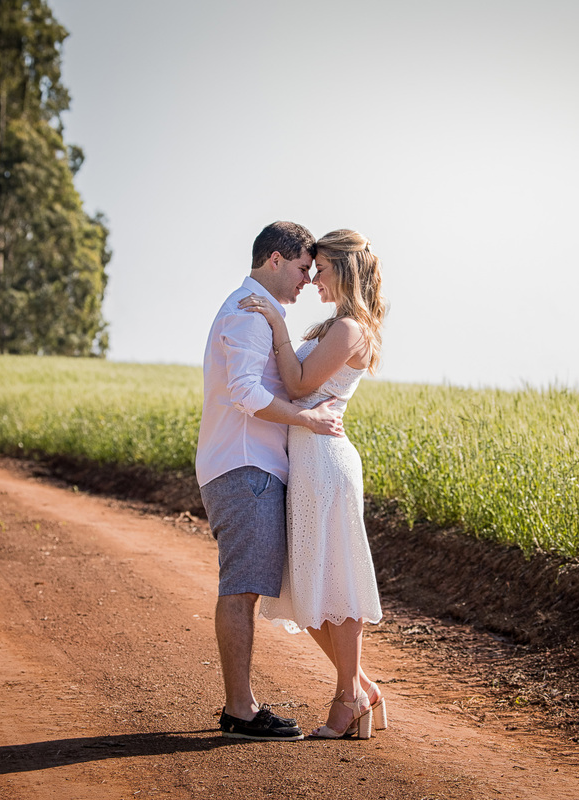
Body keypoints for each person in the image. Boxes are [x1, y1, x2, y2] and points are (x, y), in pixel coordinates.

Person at [195, 221, 345, 741]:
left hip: (250, 465)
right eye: (305, 268)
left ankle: (243, 705)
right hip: (244, 466)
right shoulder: (248, 311)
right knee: (241, 590)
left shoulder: (263, 312)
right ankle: (240, 709)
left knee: (247, 588)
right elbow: (243, 391)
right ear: (276, 260)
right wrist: (306, 421)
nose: (308, 279)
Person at [237, 228, 388, 740]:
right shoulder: (337, 325)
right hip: (307, 459)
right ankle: (361, 689)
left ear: (343, 268)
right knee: (311, 587)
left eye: (319, 269)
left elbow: (300, 384)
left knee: (335, 585)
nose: (312, 277)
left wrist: (278, 328)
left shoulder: (349, 329)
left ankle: (347, 699)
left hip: (325, 461)